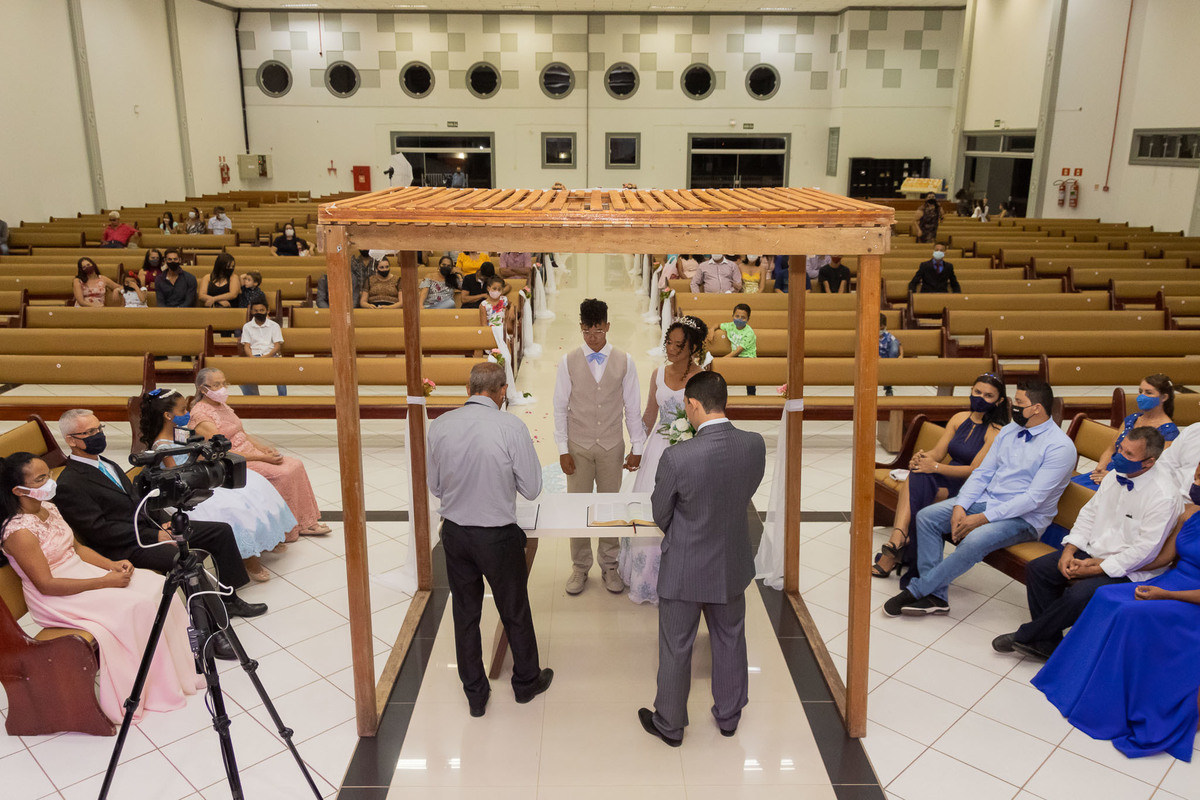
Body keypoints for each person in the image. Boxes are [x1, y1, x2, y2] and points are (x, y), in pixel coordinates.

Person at [0, 452, 203, 722]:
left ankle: (179, 672)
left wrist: (111, 565)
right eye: (40, 479)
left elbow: (77, 549)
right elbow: (46, 584)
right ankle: (149, 691)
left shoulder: (49, 508)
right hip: (57, 596)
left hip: (82, 573)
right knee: (136, 605)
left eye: (48, 474)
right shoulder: (20, 533)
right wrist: (104, 582)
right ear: (18, 490)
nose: (49, 482)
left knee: (157, 585)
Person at [638, 371, 766, 746]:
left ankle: (670, 724)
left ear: (693, 405)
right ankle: (729, 716)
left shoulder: (679, 457)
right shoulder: (754, 445)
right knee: (730, 638)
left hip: (685, 568)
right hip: (731, 563)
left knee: (677, 644)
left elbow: (661, 513)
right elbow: (746, 492)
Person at [51, 409, 266, 627]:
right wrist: (154, 535)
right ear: (71, 440)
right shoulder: (70, 483)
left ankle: (230, 601)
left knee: (220, 531)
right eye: (89, 432)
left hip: (146, 528)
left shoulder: (105, 463)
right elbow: (99, 531)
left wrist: (162, 522)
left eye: (99, 428)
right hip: (124, 545)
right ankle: (212, 625)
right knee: (183, 560)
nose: (98, 434)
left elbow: (137, 500)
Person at [884, 381, 1076, 616]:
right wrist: (960, 506)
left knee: (973, 541)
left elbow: (1032, 499)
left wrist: (982, 518)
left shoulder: (1060, 447)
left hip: (1024, 518)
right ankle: (936, 597)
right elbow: (982, 473)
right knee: (927, 517)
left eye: (1018, 403)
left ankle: (918, 590)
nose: (1013, 407)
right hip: (988, 500)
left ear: (1036, 408)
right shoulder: (1009, 431)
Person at [426, 362, 553, 717]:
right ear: (500, 391)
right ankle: (526, 683)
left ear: (470, 388)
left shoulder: (441, 425)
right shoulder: (510, 426)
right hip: (496, 537)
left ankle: (476, 694)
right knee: (514, 608)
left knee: (466, 614)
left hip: (454, 535)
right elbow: (531, 488)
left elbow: (435, 486)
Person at [994, 427, 1181, 660]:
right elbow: (1088, 514)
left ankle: (1026, 635)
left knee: (1079, 595)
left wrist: (1096, 567)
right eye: (1120, 449)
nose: (1119, 456)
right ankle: (1047, 643)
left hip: (1129, 567)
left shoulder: (1163, 495)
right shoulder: (1115, 475)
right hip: (1092, 550)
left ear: (1148, 462)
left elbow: (1145, 551)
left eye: (1129, 455)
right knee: (1039, 569)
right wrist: (1069, 550)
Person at [1031, 507, 1200, 760]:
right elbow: (1163, 559)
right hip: (1169, 582)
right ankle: (1074, 685)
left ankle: (1109, 703)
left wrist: (1165, 595)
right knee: (1104, 596)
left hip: (1189, 601)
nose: (1195, 482)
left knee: (1129, 613)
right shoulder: (1190, 514)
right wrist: (1102, 565)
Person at [139, 389, 294, 580]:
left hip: (200, 475)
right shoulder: (161, 446)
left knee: (254, 486)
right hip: (186, 489)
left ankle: (266, 539)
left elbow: (194, 452)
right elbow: (174, 475)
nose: (186, 414)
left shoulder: (179, 432)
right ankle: (248, 558)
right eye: (182, 411)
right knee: (234, 507)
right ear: (168, 415)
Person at [872, 374, 1007, 582]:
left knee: (919, 484)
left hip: (966, 487)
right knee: (918, 475)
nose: (981, 398)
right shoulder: (959, 418)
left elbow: (974, 471)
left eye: (988, 396)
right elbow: (937, 452)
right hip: (944, 473)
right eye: (977, 392)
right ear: (971, 390)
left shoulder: (996, 432)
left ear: (998, 401)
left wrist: (934, 466)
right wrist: (922, 459)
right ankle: (899, 539)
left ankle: (897, 544)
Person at [554, 299, 645, 595]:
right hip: (578, 445)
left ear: (607, 326)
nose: (593, 337)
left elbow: (632, 407)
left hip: (611, 445)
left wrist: (637, 446)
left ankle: (610, 566)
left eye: (598, 330)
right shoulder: (568, 361)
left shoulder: (625, 361)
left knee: (610, 507)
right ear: (580, 328)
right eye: (587, 331)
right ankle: (580, 567)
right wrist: (562, 449)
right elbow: (559, 407)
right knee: (576, 507)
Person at [619, 317, 707, 605]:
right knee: (651, 510)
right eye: (668, 342)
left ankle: (681, 578)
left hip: (688, 450)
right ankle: (647, 580)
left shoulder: (702, 377)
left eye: (678, 345)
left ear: (692, 348)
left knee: (682, 515)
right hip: (658, 448)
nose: (670, 349)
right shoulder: (658, 373)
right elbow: (649, 415)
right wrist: (636, 447)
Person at [188, 369, 331, 537]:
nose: (223, 388)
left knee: (295, 465)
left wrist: (263, 448)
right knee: (282, 474)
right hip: (233, 460)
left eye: (224, 383)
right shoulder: (201, 415)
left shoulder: (222, 405)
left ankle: (306, 521)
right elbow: (220, 451)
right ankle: (285, 529)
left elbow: (242, 432)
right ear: (203, 389)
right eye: (217, 385)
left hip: (249, 451)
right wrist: (262, 457)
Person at [1073, 374, 1178, 489]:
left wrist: (1111, 478)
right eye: (1140, 391)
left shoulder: (1169, 433)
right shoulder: (1132, 419)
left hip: (1131, 480)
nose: (1141, 396)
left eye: (1148, 393)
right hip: (1109, 471)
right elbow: (1112, 448)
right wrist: (1100, 468)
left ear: (1164, 398)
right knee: (1068, 487)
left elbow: (1152, 469)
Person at [238, 301, 287, 397]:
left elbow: (277, 346)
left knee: (281, 371)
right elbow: (246, 346)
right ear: (251, 311)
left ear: (267, 311)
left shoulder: (274, 326)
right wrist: (252, 357)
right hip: (254, 356)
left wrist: (267, 356)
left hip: (271, 356)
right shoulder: (247, 326)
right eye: (256, 310)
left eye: (261, 310)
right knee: (242, 375)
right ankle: (253, 398)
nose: (259, 313)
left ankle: (282, 398)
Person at [718, 304, 756, 393]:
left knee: (750, 381)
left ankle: (751, 397)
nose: (739, 319)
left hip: (748, 358)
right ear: (732, 316)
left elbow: (737, 352)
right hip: (735, 358)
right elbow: (718, 325)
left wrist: (722, 360)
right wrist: (712, 330)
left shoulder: (749, 333)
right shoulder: (730, 326)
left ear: (748, 319)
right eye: (737, 316)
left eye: (743, 317)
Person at [879, 312, 902, 396]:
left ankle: (888, 388)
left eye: (882, 328)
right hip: (875, 358)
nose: (880, 331)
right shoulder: (871, 335)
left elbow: (899, 344)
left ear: (885, 326)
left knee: (894, 345)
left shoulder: (888, 336)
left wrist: (901, 356)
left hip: (888, 358)